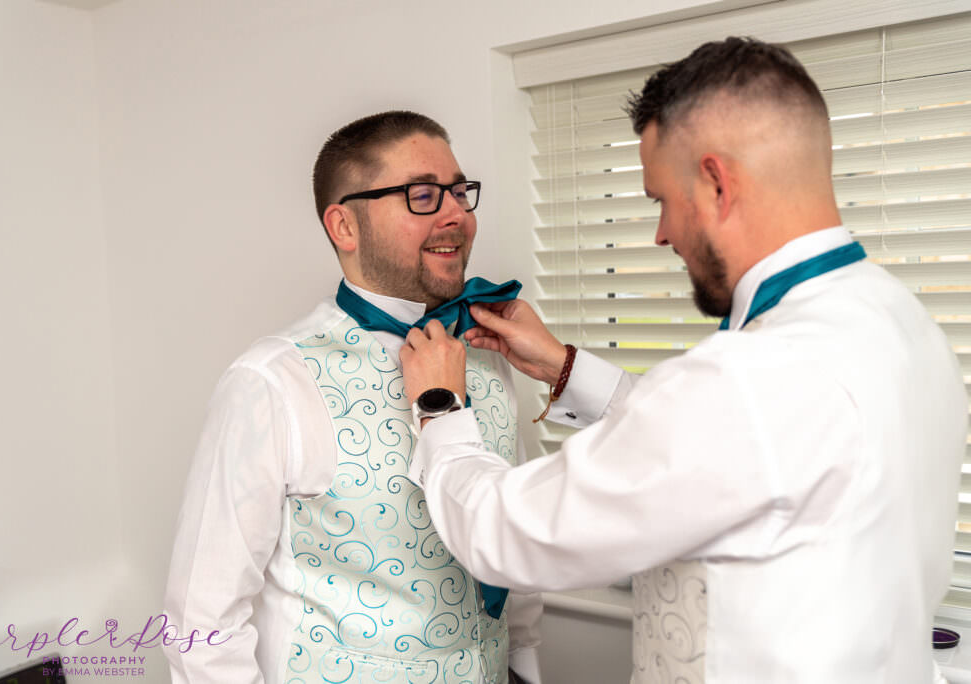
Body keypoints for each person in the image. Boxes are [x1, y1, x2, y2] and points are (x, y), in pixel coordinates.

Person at [399, 38, 968, 683]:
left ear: (717, 183)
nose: (661, 234)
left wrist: (440, 407)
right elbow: (746, 452)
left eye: (661, 200)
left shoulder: (748, 380)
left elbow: (509, 532)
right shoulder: (900, 321)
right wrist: (564, 367)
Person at [162, 111, 542, 684]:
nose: (457, 215)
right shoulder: (271, 381)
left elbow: (514, 537)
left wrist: (525, 666)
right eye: (422, 195)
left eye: (460, 192)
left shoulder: (488, 352)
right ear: (344, 226)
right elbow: (202, 624)